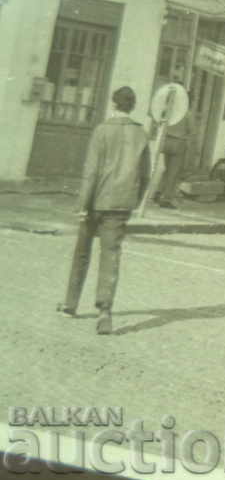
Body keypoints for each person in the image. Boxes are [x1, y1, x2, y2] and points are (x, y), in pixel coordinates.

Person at [57, 86, 151, 335]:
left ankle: (70, 304)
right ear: (132, 106)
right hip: (120, 204)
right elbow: (145, 175)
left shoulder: (102, 130)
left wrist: (82, 205)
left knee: (82, 253)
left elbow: (91, 171)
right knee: (111, 256)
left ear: (113, 104)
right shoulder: (141, 134)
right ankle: (104, 312)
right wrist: (135, 201)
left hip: (96, 200)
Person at [152, 76, 193, 209]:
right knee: (173, 172)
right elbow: (191, 131)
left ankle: (158, 192)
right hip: (178, 143)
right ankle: (166, 198)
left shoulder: (167, 110)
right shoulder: (186, 113)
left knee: (167, 169)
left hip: (166, 141)